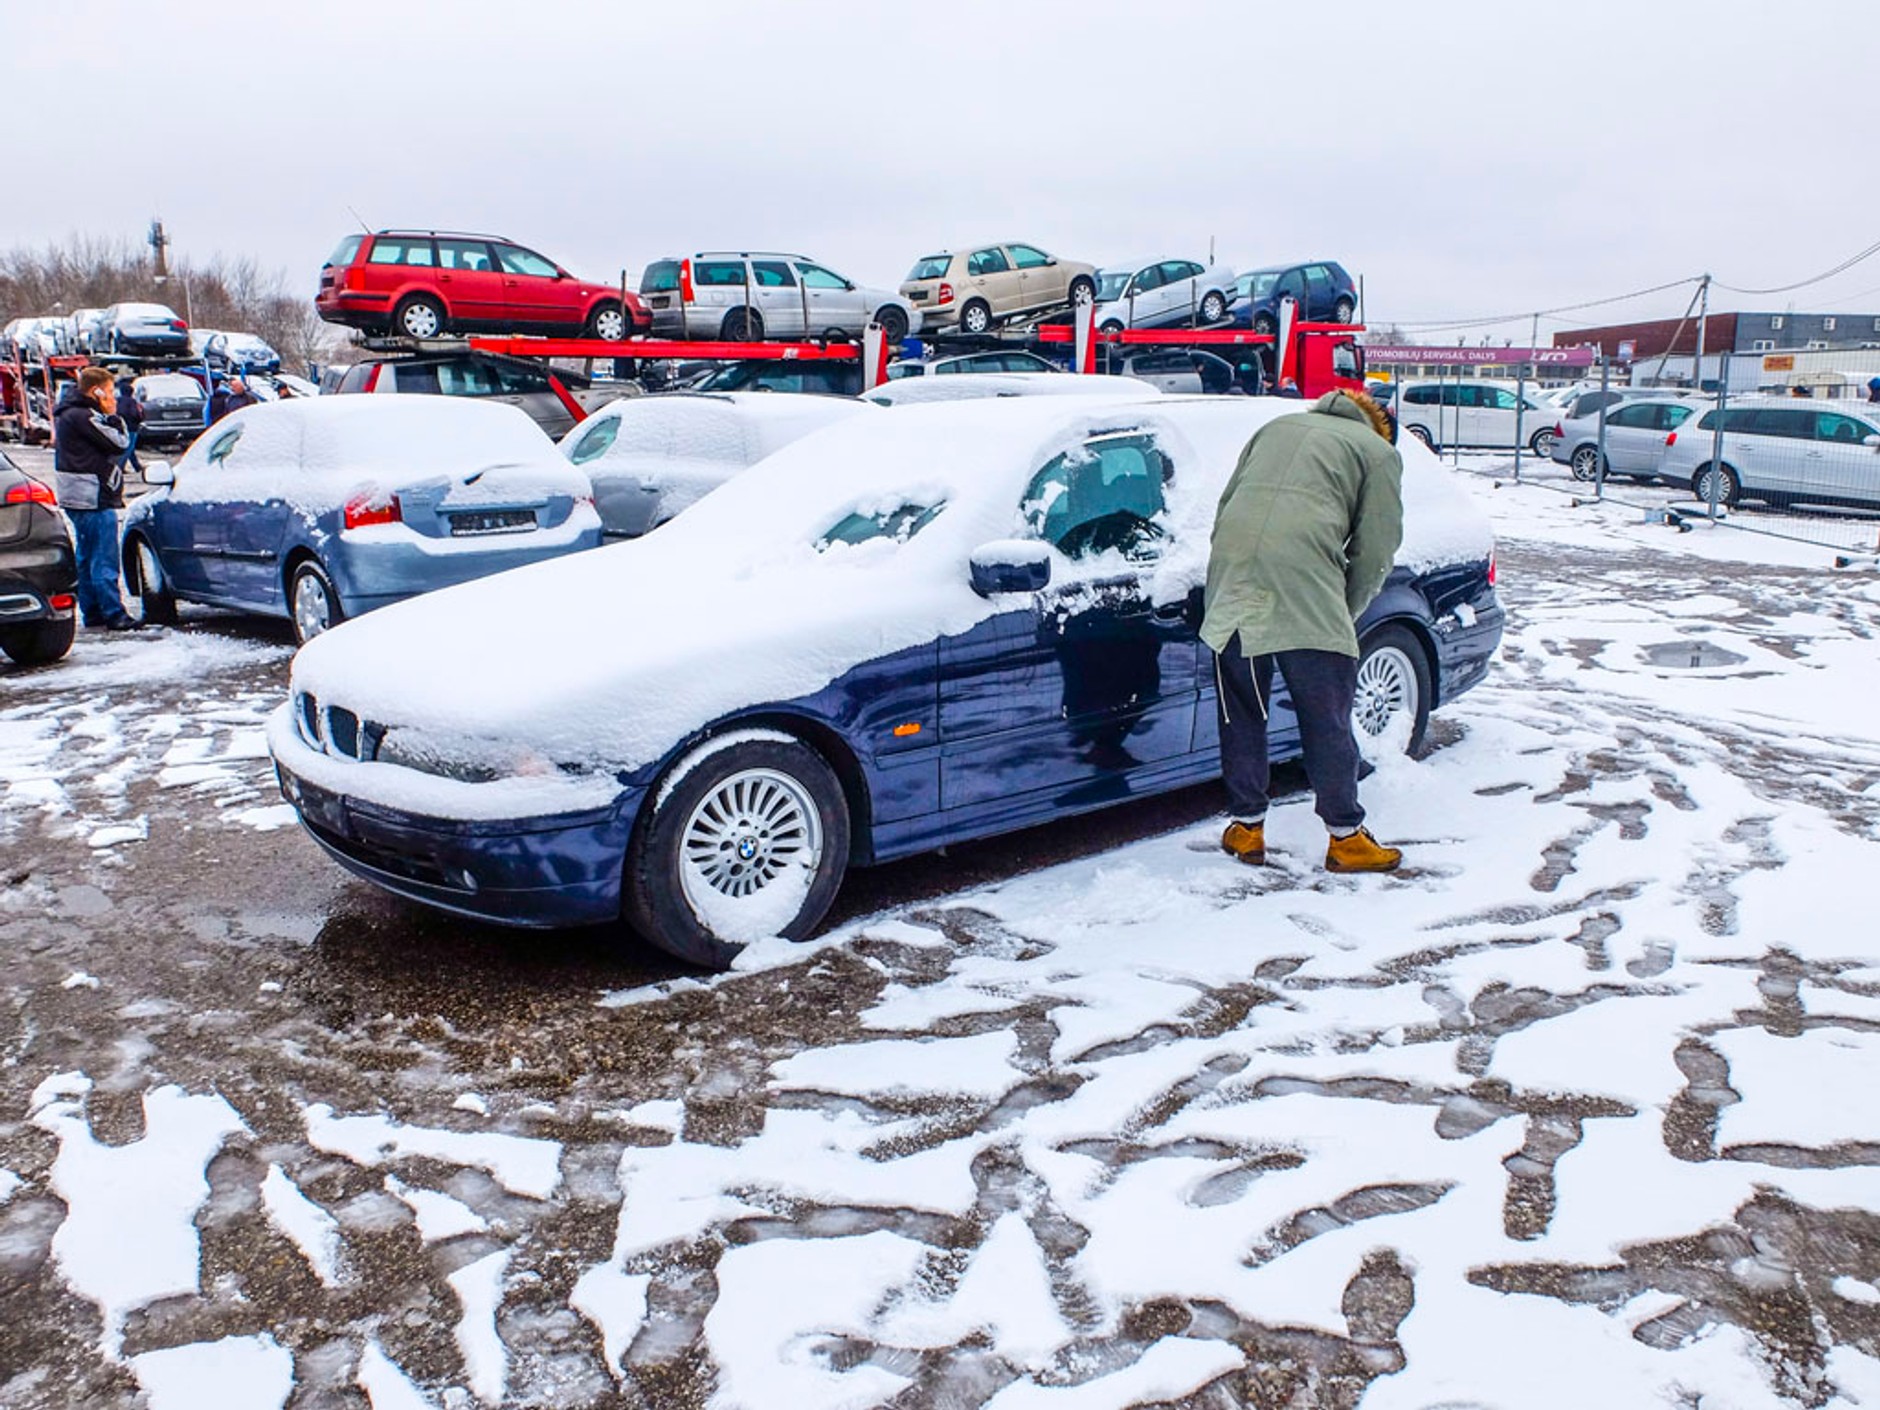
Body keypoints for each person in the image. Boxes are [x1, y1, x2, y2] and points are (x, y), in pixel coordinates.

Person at [1202, 387, 1405, 873]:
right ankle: (1346, 837)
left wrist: (1230, 578)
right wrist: (1343, 612)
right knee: (1325, 717)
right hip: (1306, 586)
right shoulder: (1378, 452)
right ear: (1378, 425)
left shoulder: (1272, 429)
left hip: (1234, 580)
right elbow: (1376, 550)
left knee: (1242, 709)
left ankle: (1245, 828)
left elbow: (1225, 509)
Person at [53, 367, 138, 631]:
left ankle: (92, 611)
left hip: (76, 495)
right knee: (103, 557)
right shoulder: (86, 416)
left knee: (87, 555)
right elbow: (120, 443)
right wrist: (114, 416)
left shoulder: (68, 413)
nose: (112, 397)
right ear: (96, 391)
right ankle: (114, 612)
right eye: (109, 391)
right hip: (93, 494)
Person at [115, 375, 144, 476]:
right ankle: (120, 467)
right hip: (131, 427)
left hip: (119, 427)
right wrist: (140, 419)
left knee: (129, 448)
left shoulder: (117, 401)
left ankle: (137, 466)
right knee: (129, 447)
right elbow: (135, 414)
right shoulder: (132, 401)